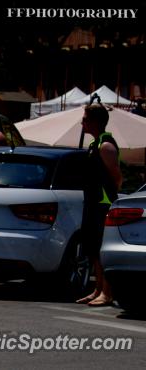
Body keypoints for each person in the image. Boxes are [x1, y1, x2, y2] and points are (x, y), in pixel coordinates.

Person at [76, 103, 122, 307]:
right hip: (92, 201)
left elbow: (116, 178)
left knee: (102, 248)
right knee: (93, 247)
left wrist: (108, 197)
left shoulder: (106, 146)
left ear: (95, 121)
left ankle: (107, 292)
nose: (82, 122)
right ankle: (98, 289)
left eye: (85, 119)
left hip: (103, 203)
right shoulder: (94, 145)